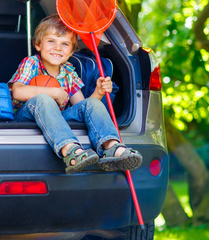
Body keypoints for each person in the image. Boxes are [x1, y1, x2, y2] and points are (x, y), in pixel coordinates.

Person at [8, 14, 142, 174]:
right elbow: (17, 91)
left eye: (64, 44)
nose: (57, 48)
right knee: (43, 98)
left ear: (71, 52)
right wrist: (55, 92)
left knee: (93, 103)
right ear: (38, 45)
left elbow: (82, 107)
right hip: (26, 118)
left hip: (56, 121)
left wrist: (98, 93)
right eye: (51, 41)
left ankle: (112, 147)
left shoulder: (69, 72)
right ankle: (70, 151)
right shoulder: (31, 63)